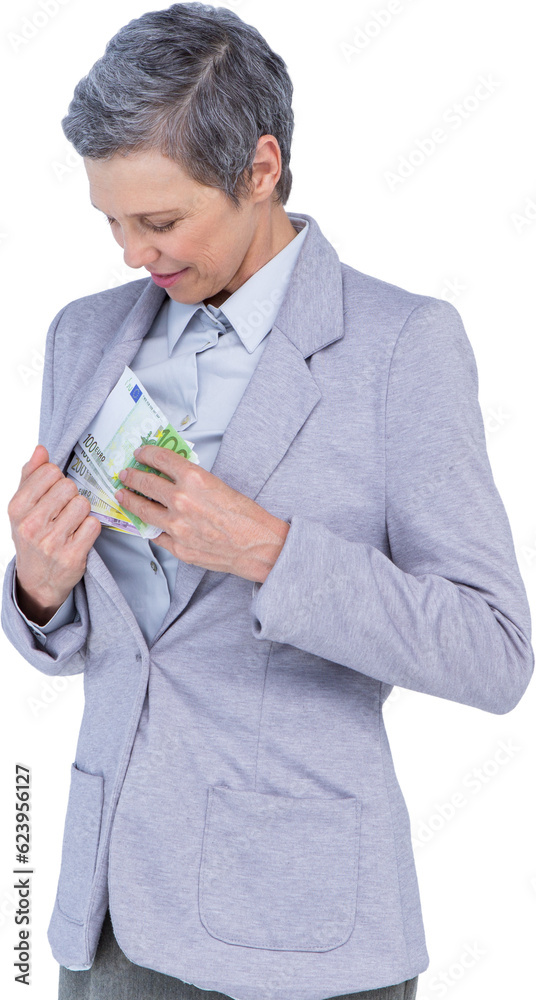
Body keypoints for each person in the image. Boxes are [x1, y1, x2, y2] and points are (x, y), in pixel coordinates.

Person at [2, 4, 533, 1000]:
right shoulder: (85, 336)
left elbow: (492, 651)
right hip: (110, 915)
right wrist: (38, 584)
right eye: (110, 221)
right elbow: (92, 641)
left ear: (259, 169)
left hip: (302, 923)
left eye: (158, 221)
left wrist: (270, 551)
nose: (131, 255)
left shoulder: (398, 348)